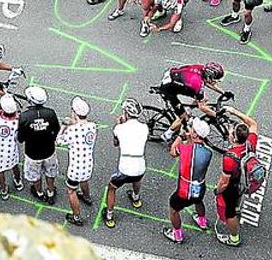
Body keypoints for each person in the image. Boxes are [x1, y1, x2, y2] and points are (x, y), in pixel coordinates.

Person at [212, 106, 259, 247]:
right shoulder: (250, 142)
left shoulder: (229, 157)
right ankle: (237, 209)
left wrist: (217, 190)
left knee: (229, 213)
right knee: (238, 196)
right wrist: (234, 112)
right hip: (243, 181)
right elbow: (253, 123)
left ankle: (234, 237)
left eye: (231, 132)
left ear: (233, 138)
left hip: (232, 185)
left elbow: (224, 181)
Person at [164, 118, 213, 244]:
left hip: (184, 191)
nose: (190, 129)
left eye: (192, 129)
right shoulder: (208, 152)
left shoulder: (185, 149)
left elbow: (173, 152)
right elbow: (195, 149)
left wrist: (180, 136)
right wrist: (189, 137)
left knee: (173, 208)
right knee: (198, 201)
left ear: (195, 134)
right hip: (200, 187)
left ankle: (177, 234)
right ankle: (202, 221)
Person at [104, 99, 148, 228]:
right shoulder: (144, 128)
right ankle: (136, 198)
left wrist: (119, 124)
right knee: (137, 179)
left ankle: (109, 216)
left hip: (125, 168)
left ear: (126, 113)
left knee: (112, 187)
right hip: (140, 166)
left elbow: (116, 143)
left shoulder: (119, 128)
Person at [59, 97, 98, 225]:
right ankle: (86, 197)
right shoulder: (92, 126)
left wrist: (64, 126)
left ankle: (76, 217)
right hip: (88, 164)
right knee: (84, 180)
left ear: (74, 113)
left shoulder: (72, 130)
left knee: (71, 190)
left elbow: (58, 141)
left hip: (75, 168)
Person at [18, 86, 61, 204]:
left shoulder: (24, 116)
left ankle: (39, 192)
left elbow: (20, 138)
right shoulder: (50, 113)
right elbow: (57, 130)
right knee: (50, 172)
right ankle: (51, 191)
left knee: (35, 174)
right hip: (49, 150)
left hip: (32, 153)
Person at [157, 62, 228, 124]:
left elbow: (208, 82)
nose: (215, 82)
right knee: (184, 118)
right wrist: (217, 115)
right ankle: (167, 135)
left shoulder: (202, 69)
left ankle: (187, 108)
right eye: (215, 80)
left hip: (176, 77)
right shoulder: (197, 83)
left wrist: (223, 92)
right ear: (209, 76)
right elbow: (202, 107)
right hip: (169, 88)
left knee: (204, 99)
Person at [0, 93, 22, 197]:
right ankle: (18, 182)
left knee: (1, 171)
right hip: (12, 150)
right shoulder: (16, 123)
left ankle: (4, 189)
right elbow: (18, 137)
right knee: (15, 166)